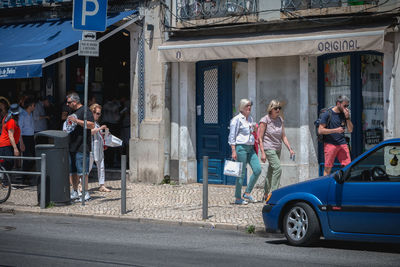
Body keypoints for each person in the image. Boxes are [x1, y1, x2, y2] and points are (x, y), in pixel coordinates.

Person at [258, 100, 295, 201]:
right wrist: (262, 153)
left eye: (279, 108)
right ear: (271, 109)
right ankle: (274, 194)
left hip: (278, 148)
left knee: (271, 171)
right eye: (276, 108)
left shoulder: (280, 120)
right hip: (268, 148)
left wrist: (290, 149)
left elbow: (283, 136)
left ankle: (265, 193)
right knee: (278, 168)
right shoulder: (264, 120)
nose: (278, 110)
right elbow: (259, 138)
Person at [228, 99, 261, 205]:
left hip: (250, 148)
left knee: (257, 170)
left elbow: (252, 133)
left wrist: (255, 130)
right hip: (240, 148)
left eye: (250, 105)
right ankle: (238, 198)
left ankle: (247, 192)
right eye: (247, 105)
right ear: (242, 107)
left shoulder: (250, 119)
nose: (249, 107)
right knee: (241, 174)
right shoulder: (236, 120)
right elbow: (232, 136)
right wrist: (233, 150)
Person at [66, 93, 95, 201]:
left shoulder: (85, 110)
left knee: (83, 171)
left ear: (75, 102)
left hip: (82, 146)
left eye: (69, 102)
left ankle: (85, 193)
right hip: (71, 145)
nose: (67, 104)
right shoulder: (71, 111)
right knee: (73, 171)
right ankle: (74, 191)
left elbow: (92, 125)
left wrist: (77, 121)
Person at [318, 95, 353, 176]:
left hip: (342, 143)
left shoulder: (344, 114)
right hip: (330, 144)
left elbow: (350, 130)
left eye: (347, 106)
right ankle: (325, 186)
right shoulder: (327, 114)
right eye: (345, 105)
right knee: (328, 168)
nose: (346, 108)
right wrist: (335, 130)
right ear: (338, 103)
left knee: (348, 167)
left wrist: (347, 118)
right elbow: (320, 130)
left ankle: (345, 185)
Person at [89, 103, 111, 192]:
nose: (98, 115)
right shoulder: (89, 122)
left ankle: (102, 185)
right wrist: (100, 128)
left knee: (101, 166)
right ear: (92, 112)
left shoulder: (97, 123)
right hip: (91, 148)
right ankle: (80, 184)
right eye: (97, 113)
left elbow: (97, 133)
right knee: (88, 167)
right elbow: (90, 132)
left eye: (99, 113)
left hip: (99, 148)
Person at [18, 97, 36, 185]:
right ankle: (24, 177)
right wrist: (21, 143)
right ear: (30, 106)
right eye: (33, 105)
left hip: (31, 137)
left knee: (33, 157)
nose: (34, 107)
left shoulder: (30, 114)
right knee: (27, 158)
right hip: (24, 138)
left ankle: (27, 174)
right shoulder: (22, 115)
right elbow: (19, 130)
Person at [0, 104, 21, 172]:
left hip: (5, 145)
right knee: (8, 164)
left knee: (6, 164)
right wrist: (15, 149)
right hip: (6, 145)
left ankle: (4, 180)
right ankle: (4, 181)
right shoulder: (11, 121)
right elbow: (10, 135)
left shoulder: (6, 118)